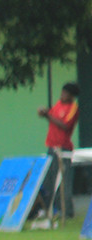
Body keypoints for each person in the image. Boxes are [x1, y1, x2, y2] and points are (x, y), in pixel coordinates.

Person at [38, 82, 79, 218]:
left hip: (63, 148)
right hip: (51, 146)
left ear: (71, 96)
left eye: (65, 93)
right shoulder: (58, 105)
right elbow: (51, 115)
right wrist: (44, 113)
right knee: (49, 181)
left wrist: (48, 116)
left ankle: (68, 212)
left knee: (63, 182)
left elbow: (65, 125)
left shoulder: (73, 108)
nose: (62, 95)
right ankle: (53, 210)